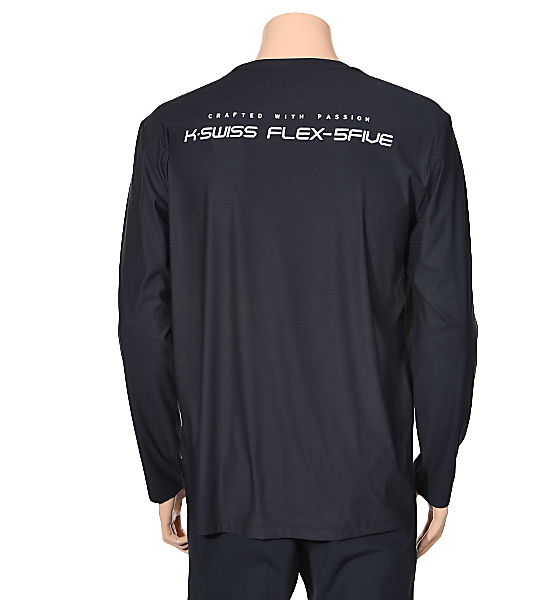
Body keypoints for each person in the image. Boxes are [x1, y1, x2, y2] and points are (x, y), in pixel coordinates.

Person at [118, 11, 478, 600]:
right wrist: (437, 471)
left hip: (230, 488)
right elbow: (445, 322)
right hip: (368, 489)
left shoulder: (174, 129)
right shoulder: (415, 126)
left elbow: (144, 319)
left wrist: (166, 470)